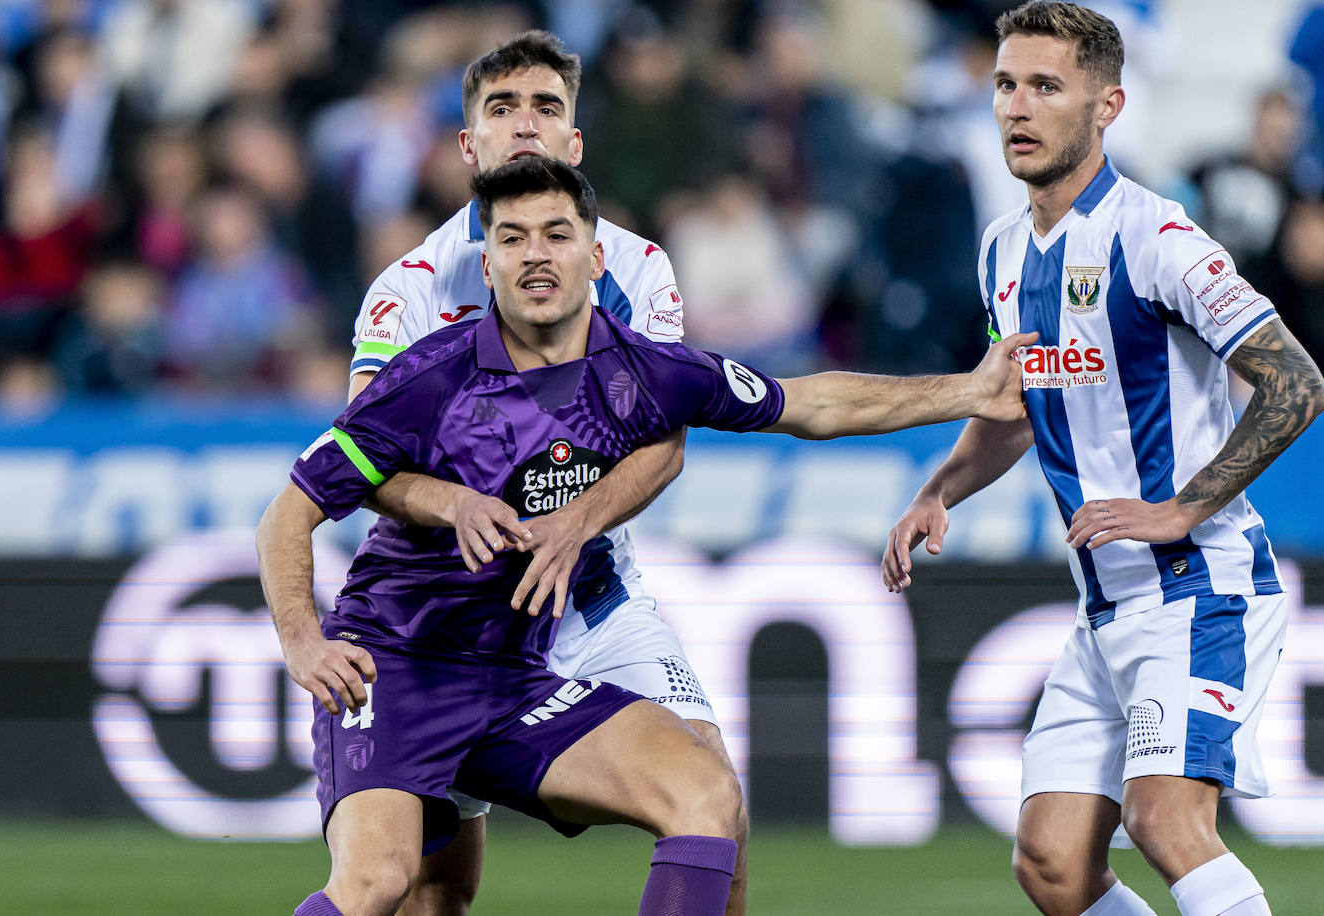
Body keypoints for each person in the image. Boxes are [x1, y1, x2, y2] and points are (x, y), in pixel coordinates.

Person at [261, 156, 1033, 916]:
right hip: (396, 666)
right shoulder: (429, 379)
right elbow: (287, 515)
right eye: (513, 237)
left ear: (596, 256)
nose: (536, 254)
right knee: (379, 885)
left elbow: (814, 405)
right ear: (486, 263)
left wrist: (969, 390)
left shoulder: (646, 371)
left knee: (706, 793)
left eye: (557, 234)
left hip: (512, 679)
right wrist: (302, 639)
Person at [881, 4, 1324, 916]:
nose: (1018, 107)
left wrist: (1182, 509)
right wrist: (941, 488)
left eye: (1047, 86)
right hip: (1104, 605)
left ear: (1108, 104)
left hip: (1200, 586)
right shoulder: (1002, 249)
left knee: (1167, 822)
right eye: (1007, 84)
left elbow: (1296, 381)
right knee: (1051, 864)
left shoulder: (1157, 238)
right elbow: (1017, 405)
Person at [345, 31, 725, 915]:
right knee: (436, 889)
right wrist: (459, 505)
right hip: (452, 622)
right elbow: (360, 468)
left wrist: (576, 521)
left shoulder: (634, 267)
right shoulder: (407, 291)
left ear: (575, 143)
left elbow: (663, 439)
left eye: (546, 108)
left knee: (712, 796)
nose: (526, 126)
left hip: (592, 598)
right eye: (501, 109)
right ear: (467, 145)